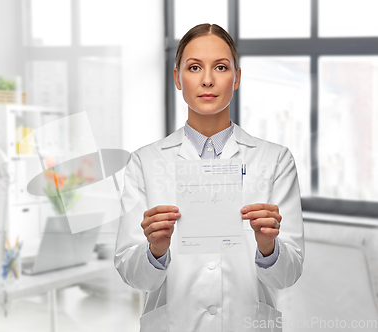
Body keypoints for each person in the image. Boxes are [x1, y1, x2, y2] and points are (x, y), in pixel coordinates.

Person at [114, 23, 304, 332]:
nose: (207, 80)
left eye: (220, 67)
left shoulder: (275, 160)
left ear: (237, 78)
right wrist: (155, 250)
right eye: (193, 67)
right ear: (177, 77)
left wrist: (268, 246)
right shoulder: (145, 162)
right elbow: (133, 277)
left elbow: (287, 276)